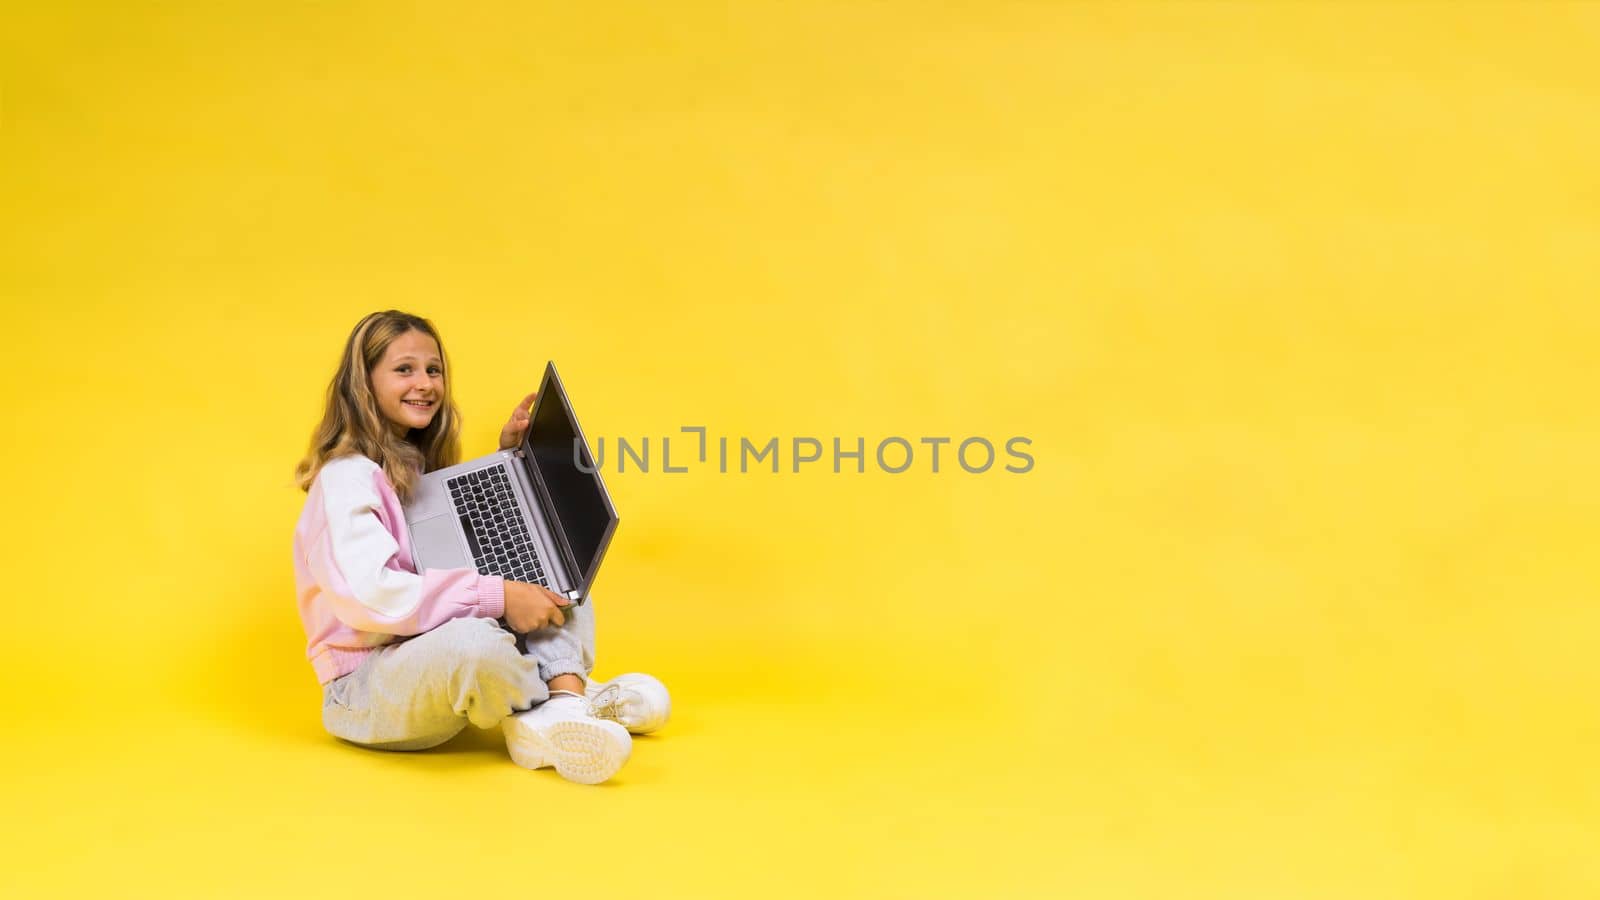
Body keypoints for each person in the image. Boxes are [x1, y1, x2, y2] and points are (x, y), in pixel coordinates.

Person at [291, 310, 669, 784]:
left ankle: (566, 699)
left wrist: (505, 461)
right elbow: (372, 595)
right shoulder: (345, 477)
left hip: (413, 651)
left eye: (434, 369)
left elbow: (431, 558)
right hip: (365, 690)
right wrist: (499, 596)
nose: (425, 383)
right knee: (473, 645)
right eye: (403, 369)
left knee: (551, 558)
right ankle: (559, 703)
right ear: (363, 383)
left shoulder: (400, 463)